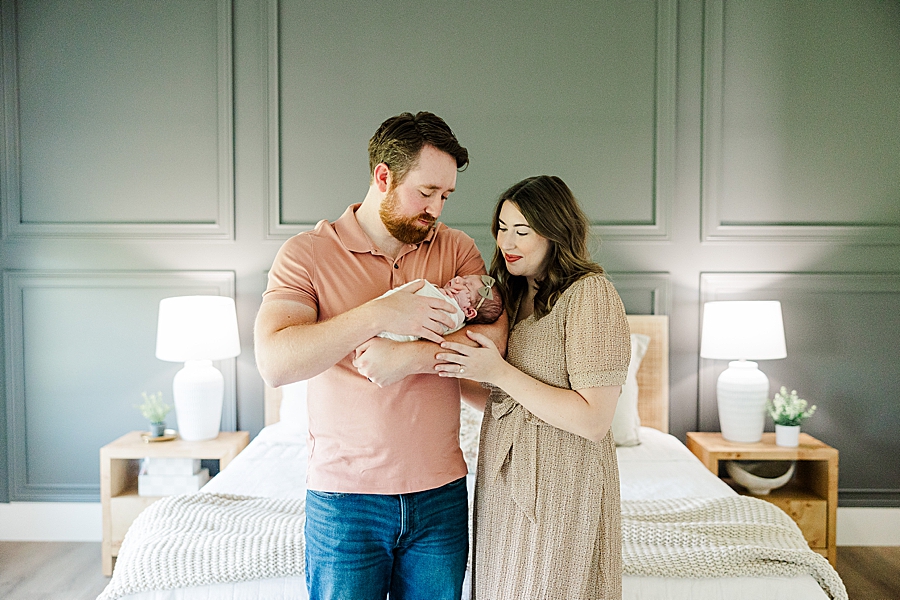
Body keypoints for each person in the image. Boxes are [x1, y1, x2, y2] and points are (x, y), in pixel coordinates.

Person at [253, 111, 508, 600]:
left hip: (441, 495)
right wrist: (379, 315)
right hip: (345, 502)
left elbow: (492, 345)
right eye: (426, 192)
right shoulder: (306, 254)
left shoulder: (455, 250)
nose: (437, 209)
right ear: (384, 176)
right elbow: (277, 362)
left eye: (446, 196)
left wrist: (406, 356)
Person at [435, 175, 631, 599]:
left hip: (563, 480)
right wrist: (452, 372)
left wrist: (499, 371)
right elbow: (502, 401)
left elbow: (594, 419)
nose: (508, 241)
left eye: (522, 231)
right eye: (502, 228)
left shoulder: (590, 296)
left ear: (555, 231)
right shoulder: (511, 295)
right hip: (503, 484)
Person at [377, 274, 502, 342]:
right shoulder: (442, 294)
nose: (457, 278)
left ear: (469, 311)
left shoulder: (452, 318)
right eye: (464, 278)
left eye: (465, 285)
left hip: (389, 334)